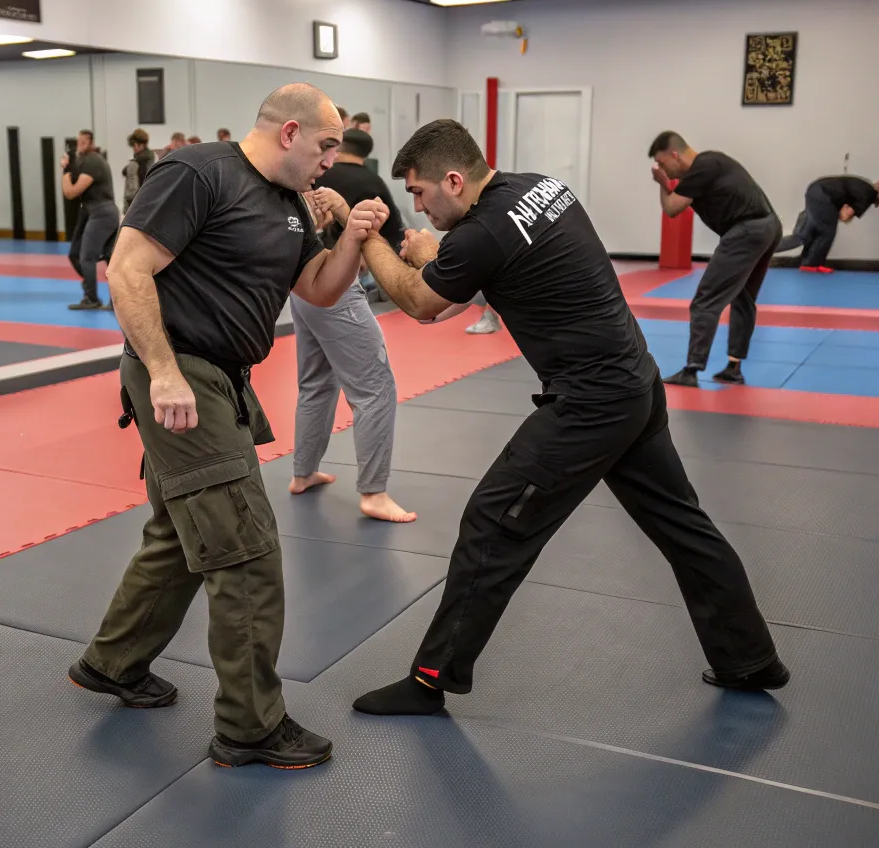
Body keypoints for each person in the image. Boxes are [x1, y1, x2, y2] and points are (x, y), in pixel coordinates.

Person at [350, 119, 788, 719]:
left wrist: (365, 232)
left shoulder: (481, 233)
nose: (417, 204)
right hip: (636, 379)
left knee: (493, 521)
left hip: (592, 402)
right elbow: (489, 261)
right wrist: (440, 252)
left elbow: (422, 303)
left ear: (454, 179)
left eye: (421, 192)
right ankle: (750, 657)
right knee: (683, 525)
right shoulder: (542, 187)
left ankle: (431, 680)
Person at [68, 83, 387, 770]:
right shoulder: (199, 173)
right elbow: (127, 270)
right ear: (290, 132)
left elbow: (320, 290)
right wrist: (162, 372)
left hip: (225, 383)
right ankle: (249, 727)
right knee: (245, 553)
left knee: (185, 534)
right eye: (327, 145)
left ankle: (114, 661)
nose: (334, 160)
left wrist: (353, 237)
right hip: (183, 376)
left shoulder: (291, 207)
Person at [289, 129, 413, 523]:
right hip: (335, 288)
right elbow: (387, 237)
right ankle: (374, 493)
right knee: (376, 387)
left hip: (301, 286)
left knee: (316, 382)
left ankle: (303, 472)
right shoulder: (367, 182)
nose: (326, 163)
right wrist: (346, 213)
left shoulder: (297, 179)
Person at [649, 132, 781, 388]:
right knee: (743, 298)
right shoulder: (710, 165)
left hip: (747, 231)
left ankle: (691, 370)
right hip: (768, 225)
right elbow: (674, 205)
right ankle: (734, 367)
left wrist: (662, 183)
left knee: (704, 301)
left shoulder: (702, 167)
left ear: (674, 155)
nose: (663, 168)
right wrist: (666, 183)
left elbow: (672, 208)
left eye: (663, 163)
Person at [62, 130, 120, 310]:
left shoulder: (92, 161)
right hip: (99, 212)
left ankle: (92, 297)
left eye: (82, 142)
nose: (79, 146)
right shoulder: (88, 161)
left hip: (101, 213)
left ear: (89, 143)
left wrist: (65, 169)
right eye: (78, 142)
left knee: (86, 256)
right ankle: (115, 299)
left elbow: (70, 192)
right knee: (101, 256)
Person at [776, 174, 879, 272]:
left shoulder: (864, 186)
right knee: (827, 233)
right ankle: (811, 265)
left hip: (814, 190)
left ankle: (764, 250)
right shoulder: (869, 194)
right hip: (825, 197)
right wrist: (841, 213)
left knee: (801, 236)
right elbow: (844, 216)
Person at [122, 129, 156, 215]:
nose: (134, 148)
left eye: (135, 145)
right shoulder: (150, 158)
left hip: (139, 203)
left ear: (141, 145)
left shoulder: (139, 161)